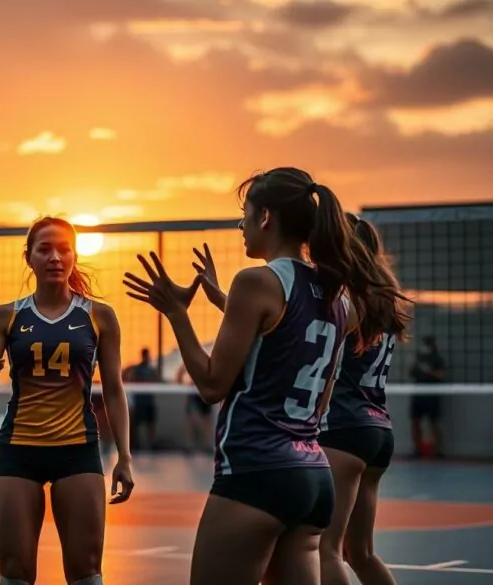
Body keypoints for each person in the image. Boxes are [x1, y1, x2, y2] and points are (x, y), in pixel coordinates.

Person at [124, 167, 407, 585]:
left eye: (246, 212)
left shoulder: (256, 281)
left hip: (256, 469)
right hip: (312, 476)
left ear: (266, 217)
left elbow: (211, 385)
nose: (241, 224)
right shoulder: (338, 299)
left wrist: (176, 314)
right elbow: (315, 390)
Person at [0, 216, 135, 585]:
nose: (55, 257)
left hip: (77, 449)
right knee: (15, 572)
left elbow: (113, 389)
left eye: (64, 249)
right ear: (28, 257)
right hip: (18, 449)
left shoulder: (99, 316)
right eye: (45, 249)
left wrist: (124, 456)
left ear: (74, 256)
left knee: (85, 570)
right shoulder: (5, 316)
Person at [317, 213, 411, 585]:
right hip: (377, 431)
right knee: (362, 553)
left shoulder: (345, 299)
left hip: (343, 428)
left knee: (326, 549)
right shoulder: (384, 298)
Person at [408, 335, 446, 457]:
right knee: (415, 421)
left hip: (432, 393)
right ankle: (417, 450)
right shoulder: (419, 356)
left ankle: (437, 450)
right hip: (418, 393)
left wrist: (428, 371)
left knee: (434, 422)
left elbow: (441, 375)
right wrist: (414, 367)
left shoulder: (437, 358)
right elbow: (411, 373)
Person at [125, 347, 161, 452]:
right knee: (137, 425)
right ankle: (136, 445)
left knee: (151, 424)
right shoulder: (137, 369)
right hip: (140, 402)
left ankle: (151, 445)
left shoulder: (151, 369)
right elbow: (133, 379)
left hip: (149, 402)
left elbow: (157, 380)